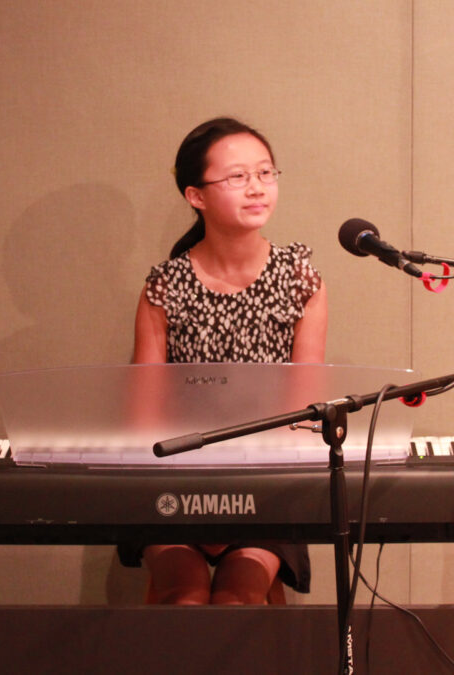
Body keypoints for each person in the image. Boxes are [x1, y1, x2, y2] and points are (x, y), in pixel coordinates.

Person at [125, 117, 328, 604]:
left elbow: (306, 413)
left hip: (269, 483)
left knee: (240, 596)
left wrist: (243, 495)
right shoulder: (164, 285)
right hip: (176, 480)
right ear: (196, 196)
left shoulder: (301, 280)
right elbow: (143, 413)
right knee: (184, 597)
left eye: (265, 173)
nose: (257, 188)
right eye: (238, 177)